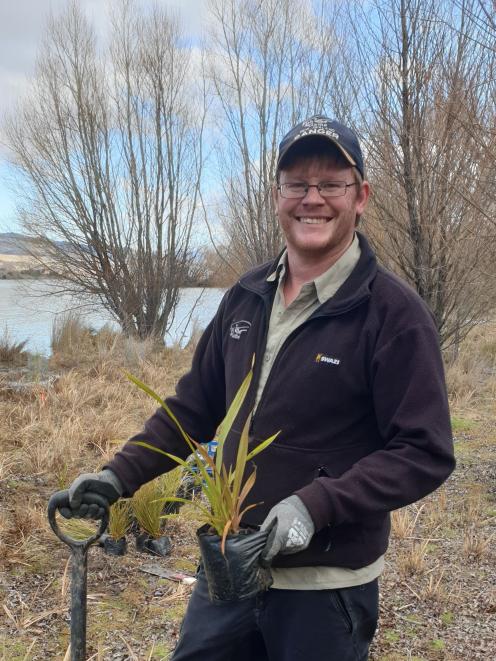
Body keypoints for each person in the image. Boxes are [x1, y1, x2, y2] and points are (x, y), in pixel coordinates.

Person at [61, 115, 455, 660]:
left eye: (331, 184)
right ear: (277, 196)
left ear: (360, 196)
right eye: (297, 184)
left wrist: (317, 505)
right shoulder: (246, 297)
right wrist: (115, 477)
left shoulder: (392, 314)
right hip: (229, 566)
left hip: (326, 587)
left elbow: (425, 452)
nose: (312, 199)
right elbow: (191, 409)